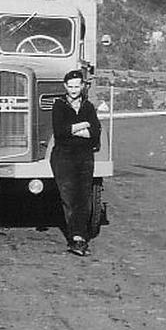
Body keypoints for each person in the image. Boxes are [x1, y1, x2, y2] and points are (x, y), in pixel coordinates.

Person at [51, 70, 101, 256]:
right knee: (70, 196)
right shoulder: (59, 105)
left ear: (82, 86)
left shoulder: (88, 106)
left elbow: (95, 132)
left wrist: (73, 129)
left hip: (84, 155)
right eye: (70, 86)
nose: (73, 90)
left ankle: (80, 237)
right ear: (65, 87)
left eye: (76, 86)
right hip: (64, 156)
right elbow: (60, 132)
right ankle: (76, 238)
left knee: (84, 196)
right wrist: (83, 125)